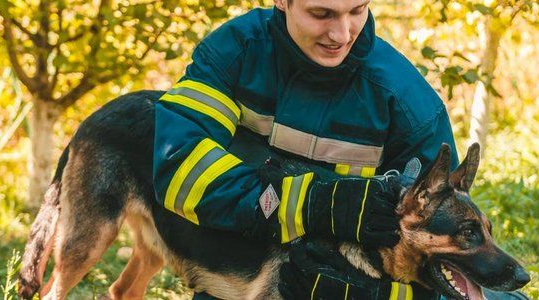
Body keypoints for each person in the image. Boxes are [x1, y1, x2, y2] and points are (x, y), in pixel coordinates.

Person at [152, 0, 462, 298]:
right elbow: (178, 169)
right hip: (239, 276)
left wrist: (377, 295)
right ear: (282, 1)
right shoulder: (232, 53)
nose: (342, 35)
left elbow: (448, 254)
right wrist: (308, 204)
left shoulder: (410, 105)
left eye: (358, 10)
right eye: (321, 13)